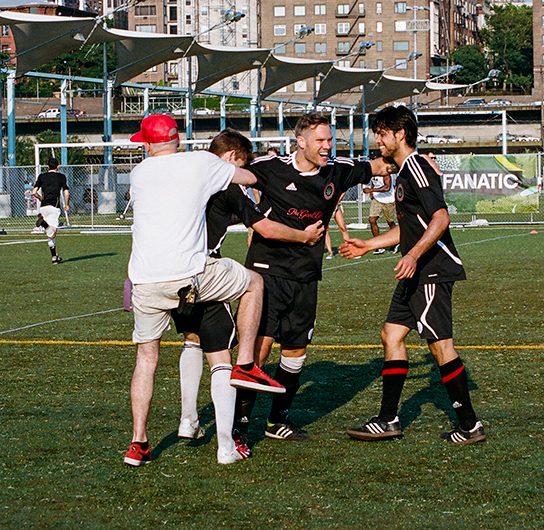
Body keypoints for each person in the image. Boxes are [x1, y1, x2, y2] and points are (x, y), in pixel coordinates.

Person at [123, 115, 278, 467]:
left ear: (148, 145)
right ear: (177, 138)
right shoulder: (201, 162)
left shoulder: (140, 173)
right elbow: (248, 176)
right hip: (189, 274)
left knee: (146, 360)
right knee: (255, 283)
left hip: (143, 278)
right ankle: (247, 364)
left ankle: (139, 442)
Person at [234, 112, 391, 444]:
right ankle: (238, 427)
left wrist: (420, 162)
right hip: (266, 275)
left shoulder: (338, 170)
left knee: (296, 352)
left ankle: (277, 422)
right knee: (257, 353)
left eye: (330, 139)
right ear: (301, 141)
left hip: (306, 277)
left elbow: (382, 166)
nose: (327, 146)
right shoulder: (269, 166)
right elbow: (228, 173)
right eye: (320, 140)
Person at [171, 129, 324, 461]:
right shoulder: (226, 184)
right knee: (223, 351)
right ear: (230, 159)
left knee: (191, 339)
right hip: (203, 270)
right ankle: (229, 436)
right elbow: (264, 227)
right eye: (242, 165)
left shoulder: (182, 176)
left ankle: (187, 419)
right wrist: (304, 235)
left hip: (165, 270)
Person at [340, 105, 486, 445]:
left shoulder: (418, 167)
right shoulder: (405, 172)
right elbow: (409, 228)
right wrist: (369, 245)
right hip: (415, 271)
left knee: (440, 347)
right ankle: (389, 419)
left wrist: (414, 255)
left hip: (432, 270)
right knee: (391, 334)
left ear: (399, 135)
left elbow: (440, 219)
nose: (378, 139)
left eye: (382, 133)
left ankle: (469, 425)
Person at [32, 158, 70, 264]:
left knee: (49, 233)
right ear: (57, 166)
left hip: (43, 207)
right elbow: (66, 193)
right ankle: (43, 223)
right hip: (54, 206)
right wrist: (66, 204)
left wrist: (40, 198)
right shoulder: (61, 177)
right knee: (52, 234)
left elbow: (34, 192)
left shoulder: (42, 176)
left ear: (48, 167)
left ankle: (54, 257)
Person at [362, 172, 396, 254]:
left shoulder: (385, 174)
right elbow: (374, 183)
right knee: (372, 220)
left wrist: (371, 190)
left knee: (390, 222)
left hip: (389, 200)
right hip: (377, 198)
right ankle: (378, 245)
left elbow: (387, 187)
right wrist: (371, 192)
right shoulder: (372, 173)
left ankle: (395, 243)